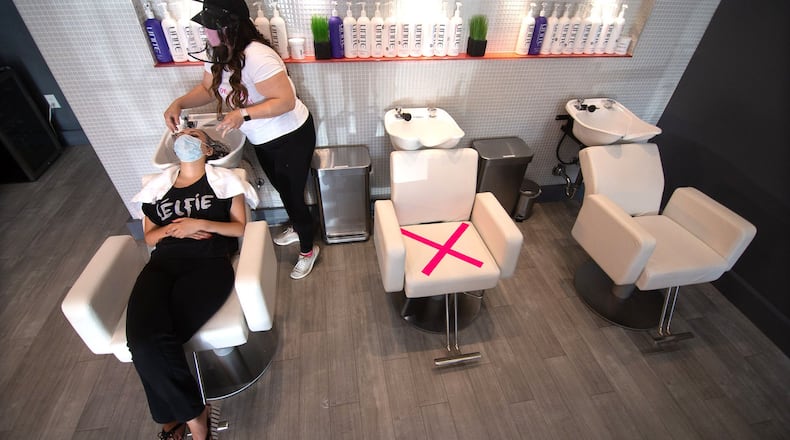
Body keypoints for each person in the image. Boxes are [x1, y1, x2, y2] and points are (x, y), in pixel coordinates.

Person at [164, 0, 319, 280]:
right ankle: (299, 226)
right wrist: (179, 103)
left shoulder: (258, 56)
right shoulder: (218, 53)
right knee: (284, 189)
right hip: (263, 138)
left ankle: (308, 249)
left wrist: (243, 114)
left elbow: (284, 101)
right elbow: (208, 88)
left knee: (292, 195)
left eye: (209, 27)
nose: (205, 32)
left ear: (229, 27)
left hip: (290, 136)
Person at [128, 128, 258, 440]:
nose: (185, 135)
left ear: (208, 150)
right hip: (162, 264)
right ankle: (195, 414)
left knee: (149, 344)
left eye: (194, 134)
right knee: (144, 340)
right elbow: (149, 237)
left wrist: (199, 223)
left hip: (209, 264)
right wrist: (175, 230)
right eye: (183, 133)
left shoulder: (225, 183)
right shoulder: (158, 188)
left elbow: (239, 228)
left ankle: (171, 420)